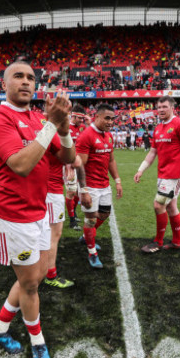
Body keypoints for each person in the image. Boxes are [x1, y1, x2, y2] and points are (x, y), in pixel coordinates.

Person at [0, 62, 75, 358]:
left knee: (29, 280)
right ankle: (38, 343)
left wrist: (62, 128)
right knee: (31, 286)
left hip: (37, 213)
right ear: (5, 83)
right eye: (18, 76)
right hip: (12, 217)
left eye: (31, 77)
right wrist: (51, 125)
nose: (25, 82)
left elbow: (68, 158)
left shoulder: (38, 119)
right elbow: (20, 165)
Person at [133, 97, 180, 253]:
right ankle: (177, 242)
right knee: (171, 206)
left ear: (172, 107)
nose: (161, 109)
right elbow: (153, 152)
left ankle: (158, 242)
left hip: (175, 175)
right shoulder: (158, 127)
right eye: (159, 107)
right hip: (163, 174)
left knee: (158, 204)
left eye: (164, 107)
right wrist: (141, 169)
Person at [75, 104, 123, 269]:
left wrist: (117, 180)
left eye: (112, 118)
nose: (110, 122)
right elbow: (80, 166)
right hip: (91, 187)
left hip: (104, 185)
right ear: (96, 117)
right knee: (90, 220)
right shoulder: (86, 136)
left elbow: (111, 160)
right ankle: (92, 252)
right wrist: (84, 191)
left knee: (104, 214)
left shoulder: (108, 136)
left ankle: (86, 236)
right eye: (107, 118)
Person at [45, 151, 91, 288]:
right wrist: (70, 161)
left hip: (35, 188)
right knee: (53, 234)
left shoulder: (36, 132)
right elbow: (76, 161)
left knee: (41, 230)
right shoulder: (57, 137)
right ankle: (50, 275)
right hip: (51, 191)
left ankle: (37, 269)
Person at [64, 106, 87, 230]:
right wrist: (68, 166)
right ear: (74, 116)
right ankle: (72, 220)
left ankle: (74, 212)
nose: (81, 121)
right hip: (68, 164)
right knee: (71, 191)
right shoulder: (66, 127)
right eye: (80, 118)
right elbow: (63, 148)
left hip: (80, 164)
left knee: (79, 191)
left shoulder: (83, 128)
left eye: (83, 119)